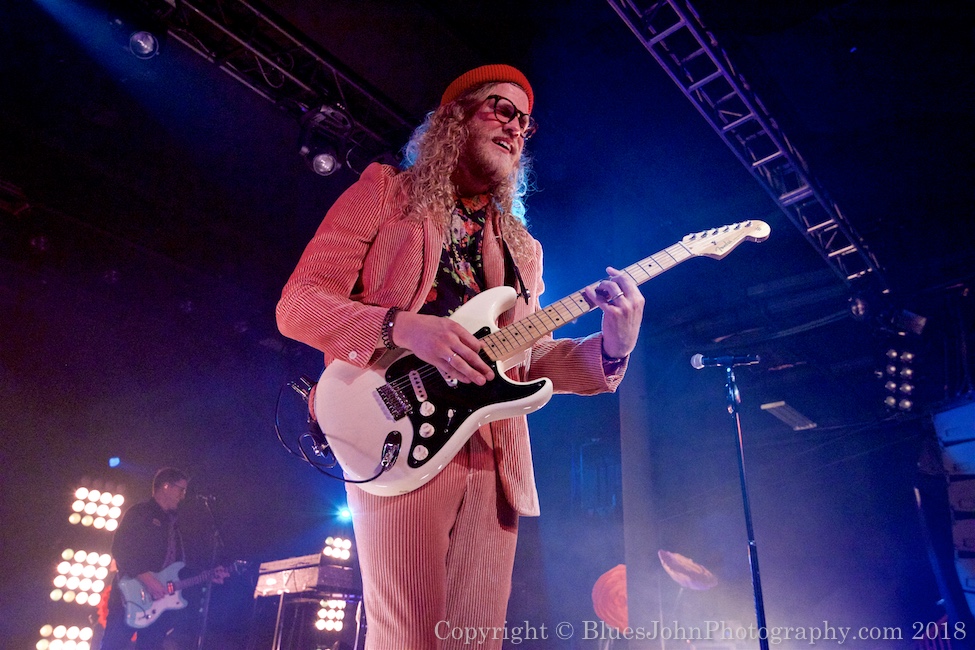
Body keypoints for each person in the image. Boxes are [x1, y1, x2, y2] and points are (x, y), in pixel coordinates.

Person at [276, 64, 644, 649]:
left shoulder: (522, 247)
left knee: (476, 642)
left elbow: (527, 357)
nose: (516, 127)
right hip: (397, 432)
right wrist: (401, 328)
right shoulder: (386, 193)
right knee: (411, 638)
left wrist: (612, 349)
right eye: (501, 109)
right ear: (454, 119)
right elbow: (299, 305)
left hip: (492, 453)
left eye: (525, 121)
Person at [99, 467, 225, 649]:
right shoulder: (140, 512)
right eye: (181, 490)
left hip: (157, 606)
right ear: (166, 486)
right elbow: (121, 549)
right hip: (129, 596)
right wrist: (148, 579)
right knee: (114, 644)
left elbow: (177, 568)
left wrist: (207, 574)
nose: (183, 496)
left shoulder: (173, 525)